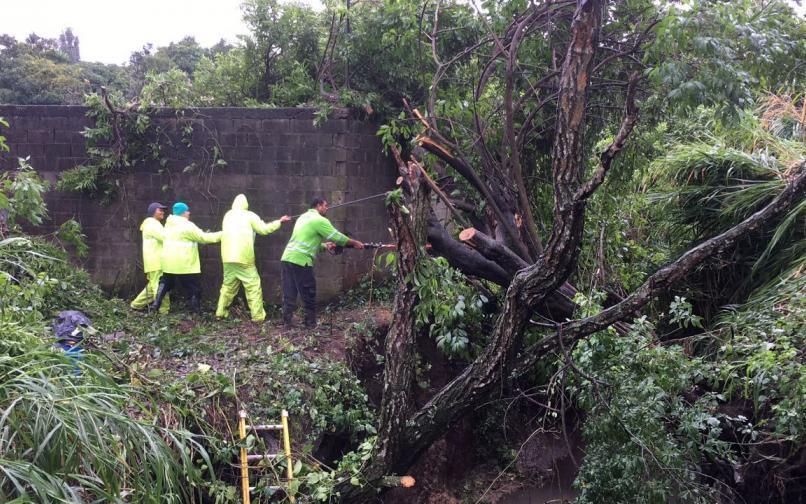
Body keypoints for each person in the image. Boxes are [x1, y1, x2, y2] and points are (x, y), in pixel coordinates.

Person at [280, 197, 364, 327]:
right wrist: (354, 243)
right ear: (318, 206)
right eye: (325, 205)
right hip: (301, 261)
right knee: (309, 292)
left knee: (289, 291)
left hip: (287, 258)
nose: (327, 208)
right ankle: (310, 324)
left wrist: (325, 246)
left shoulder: (303, 217)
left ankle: (287, 322)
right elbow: (337, 237)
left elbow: (306, 241)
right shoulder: (319, 220)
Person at [215, 194, 290, 322]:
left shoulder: (227, 215)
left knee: (227, 286)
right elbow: (263, 229)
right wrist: (279, 222)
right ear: (246, 204)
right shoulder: (249, 215)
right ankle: (258, 317)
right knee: (253, 287)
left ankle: (220, 313)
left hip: (227, 257)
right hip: (244, 258)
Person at [150, 202, 222, 314]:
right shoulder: (187, 226)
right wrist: (223, 234)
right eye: (187, 210)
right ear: (182, 213)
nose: (189, 212)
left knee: (165, 282)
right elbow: (204, 238)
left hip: (168, 263)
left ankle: (156, 303)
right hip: (185, 264)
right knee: (195, 288)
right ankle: (195, 312)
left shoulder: (168, 225)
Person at [130, 202, 170, 313]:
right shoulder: (153, 224)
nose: (162, 212)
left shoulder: (151, 224)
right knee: (160, 287)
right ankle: (163, 311)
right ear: (153, 212)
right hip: (157, 261)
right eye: (160, 210)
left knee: (153, 286)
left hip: (153, 261)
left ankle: (135, 305)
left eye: (163, 210)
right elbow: (164, 238)